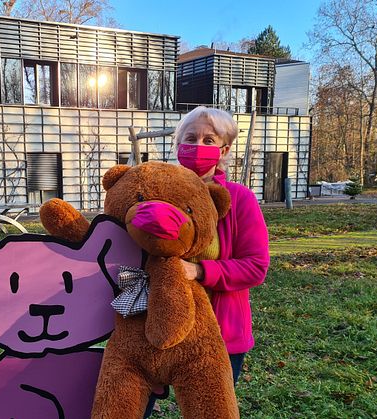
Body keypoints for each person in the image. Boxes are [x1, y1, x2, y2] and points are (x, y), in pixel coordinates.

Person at [145, 106, 270, 417]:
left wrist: (200, 270)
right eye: (190, 138)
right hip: (154, 326)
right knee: (131, 403)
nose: (198, 146)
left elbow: (256, 265)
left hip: (219, 333)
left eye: (209, 140)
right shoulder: (155, 195)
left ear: (224, 150)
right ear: (178, 146)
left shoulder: (240, 199)